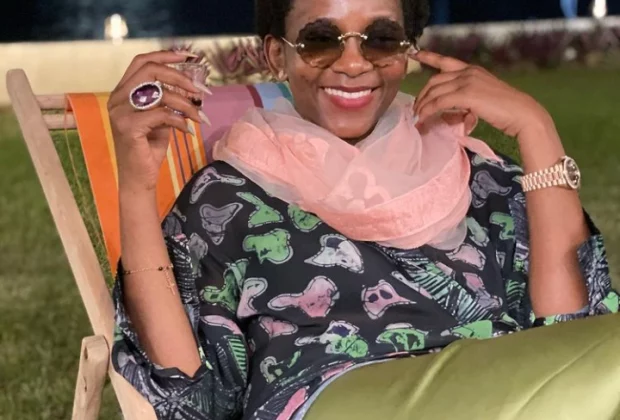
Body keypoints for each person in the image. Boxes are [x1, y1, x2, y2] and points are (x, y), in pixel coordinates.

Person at [108, 0, 618, 418]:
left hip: (503, 379)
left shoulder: (475, 175)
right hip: (335, 391)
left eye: (380, 39)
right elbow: (189, 397)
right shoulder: (228, 195)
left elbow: (573, 328)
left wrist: (536, 128)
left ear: (407, 50)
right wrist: (135, 185)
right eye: (320, 40)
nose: (353, 64)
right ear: (276, 54)